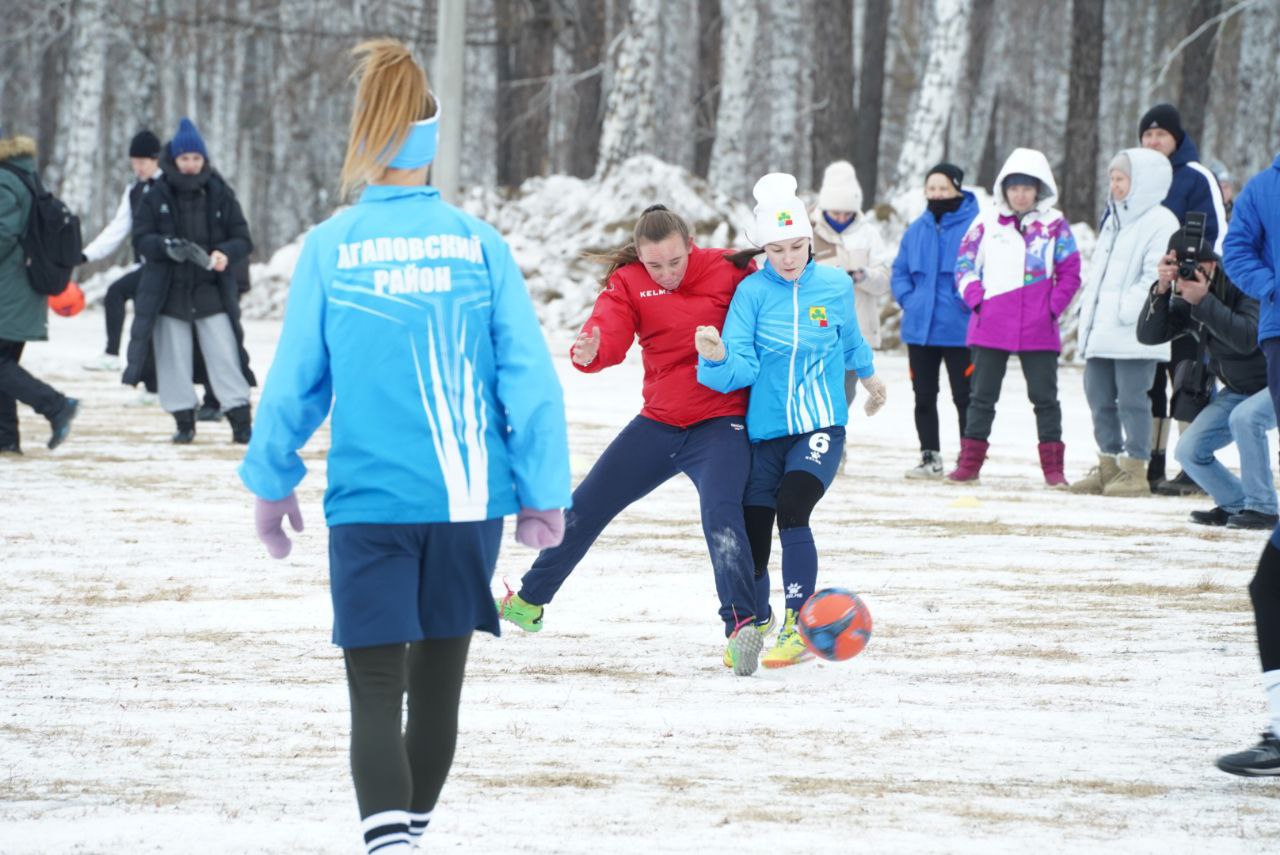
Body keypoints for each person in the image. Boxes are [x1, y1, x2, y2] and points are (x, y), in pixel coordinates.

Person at [238, 40, 572, 850]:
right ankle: (408, 837)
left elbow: (294, 384)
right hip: (466, 502)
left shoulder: (330, 246)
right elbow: (529, 382)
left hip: (370, 502)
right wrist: (543, 491)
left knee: (375, 688)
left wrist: (272, 480)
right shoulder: (480, 245)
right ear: (430, 139)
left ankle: (393, 842)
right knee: (438, 692)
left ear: (366, 136)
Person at [495, 205, 769, 676]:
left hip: (720, 421)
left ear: (690, 243)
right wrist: (592, 347)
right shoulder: (629, 282)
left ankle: (741, 627)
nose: (664, 274)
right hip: (659, 422)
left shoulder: (732, 269)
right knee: (585, 506)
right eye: (654, 265)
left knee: (722, 514)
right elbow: (610, 328)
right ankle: (529, 601)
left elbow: (778, 306)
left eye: (674, 262)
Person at [695, 172, 886, 669]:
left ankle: (801, 624)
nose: (788, 258)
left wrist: (869, 379)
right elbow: (742, 365)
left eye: (797, 246)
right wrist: (716, 358)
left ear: (809, 242)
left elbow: (850, 340)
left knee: (793, 506)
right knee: (754, 527)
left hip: (822, 421)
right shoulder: (752, 295)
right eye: (776, 249)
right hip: (766, 431)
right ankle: (757, 623)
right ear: (762, 251)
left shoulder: (834, 285)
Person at [946, 148, 1081, 486]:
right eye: (1014, 187)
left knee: (1045, 399)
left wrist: (1052, 307)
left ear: (1039, 189)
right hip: (991, 324)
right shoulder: (986, 221)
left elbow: (1071, 272)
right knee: (981, 397)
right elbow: (963, 265)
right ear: (1004, 189)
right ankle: (969, 464)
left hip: (1039, 326)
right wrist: (979, 302)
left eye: (1027, 188)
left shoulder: (1055, 226)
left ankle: (1054, 470)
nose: (1020, 195)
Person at [124, 117, 256, 444]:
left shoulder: (220, 193)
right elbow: (140, 239)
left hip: (211, 292)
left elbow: (243, 238)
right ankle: (184, 422)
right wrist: (165, 247)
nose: (191, 165)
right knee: (173, 361)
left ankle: (240, 421)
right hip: (169, 293)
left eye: (196, 158)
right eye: (185, 159)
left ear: (204, 160)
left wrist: (225, 253)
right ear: (174, 160)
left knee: (226, 356)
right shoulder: (156, 195)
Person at [1217, 150, 1280, 776]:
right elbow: (1238, 253)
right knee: (1269, 585)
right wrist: (1271, 285)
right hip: (1279, 332)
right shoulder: (1264, 189)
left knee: (1270, 585)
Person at [1071, 148, 1178, 496]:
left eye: (1121, 179)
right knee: (1098, 396)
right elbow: (1100, 275)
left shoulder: (1161, 221)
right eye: (1112, 179)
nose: (1113, 186)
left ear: (1142, 183)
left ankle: (1135, 468)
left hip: (1135, 332)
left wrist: (1124, 310)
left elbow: (1155, 273)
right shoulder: (1114, 218)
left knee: (1133, 399)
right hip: (1102, 331)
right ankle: (1108, 464)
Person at [1138, 103, 1228, 494]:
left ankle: (1192, 467)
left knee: (1189, 376)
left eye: (1161, 134)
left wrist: (1198, 279)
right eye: (1147, 135)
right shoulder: (1134, 177)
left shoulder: (1195, 176)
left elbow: (1218, 234)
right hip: (1147, 292)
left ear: (1177, 138)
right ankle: (1149, 463)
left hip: (1190, 292)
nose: (1154, 141)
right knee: (1148, 381)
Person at [890, 162, 978, 478]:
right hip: (920, 330)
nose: (937, 194)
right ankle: (930, 458)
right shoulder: (917, 229)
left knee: (966, 397)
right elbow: (899, 271)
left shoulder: (977, 226)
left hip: (961, 329)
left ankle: (969, 460)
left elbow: (985, 270)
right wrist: (908, 299)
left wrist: (966, 301)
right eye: (931, 189)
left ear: (957, 188)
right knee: (924, 396)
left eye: (943, 188)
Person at [0, 130, 79, 454]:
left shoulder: (5, 181)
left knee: (2, 364)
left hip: (9, 288)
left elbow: (3, 233)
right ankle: (6, 441)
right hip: (22, 285)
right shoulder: (26, 176)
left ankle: (56, 405)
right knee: (5, 365)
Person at [80, 130, 163, 376]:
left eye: (142, 162)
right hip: (143, 267)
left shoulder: (169, 186)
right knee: (130, 308)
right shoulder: (134, 191)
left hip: (164, 267)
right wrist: (87, 255)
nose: (137, 168)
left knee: (142, 316)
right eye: (134, 163)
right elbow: (117, 229)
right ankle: (143, 380)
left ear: (155, 159)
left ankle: (115, 357)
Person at [810, 160, 891, 350]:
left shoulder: (868, 233)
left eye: (847, 213)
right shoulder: (809, 232)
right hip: (820, 331)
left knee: (848, 381)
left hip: (859, 333)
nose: (841, 218)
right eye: (836, 212)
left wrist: (864, 276)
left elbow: (885, 281)